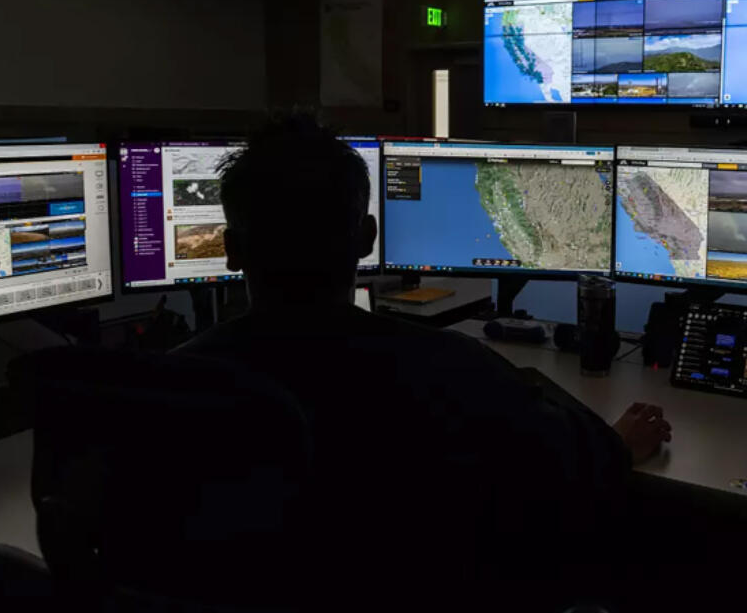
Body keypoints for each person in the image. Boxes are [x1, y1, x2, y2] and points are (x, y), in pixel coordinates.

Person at [177, 115, 671, 608]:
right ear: (367, 237)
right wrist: (619, 446)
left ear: (232, 250)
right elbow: (565, 463)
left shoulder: (174, 388)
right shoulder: (451, 368)